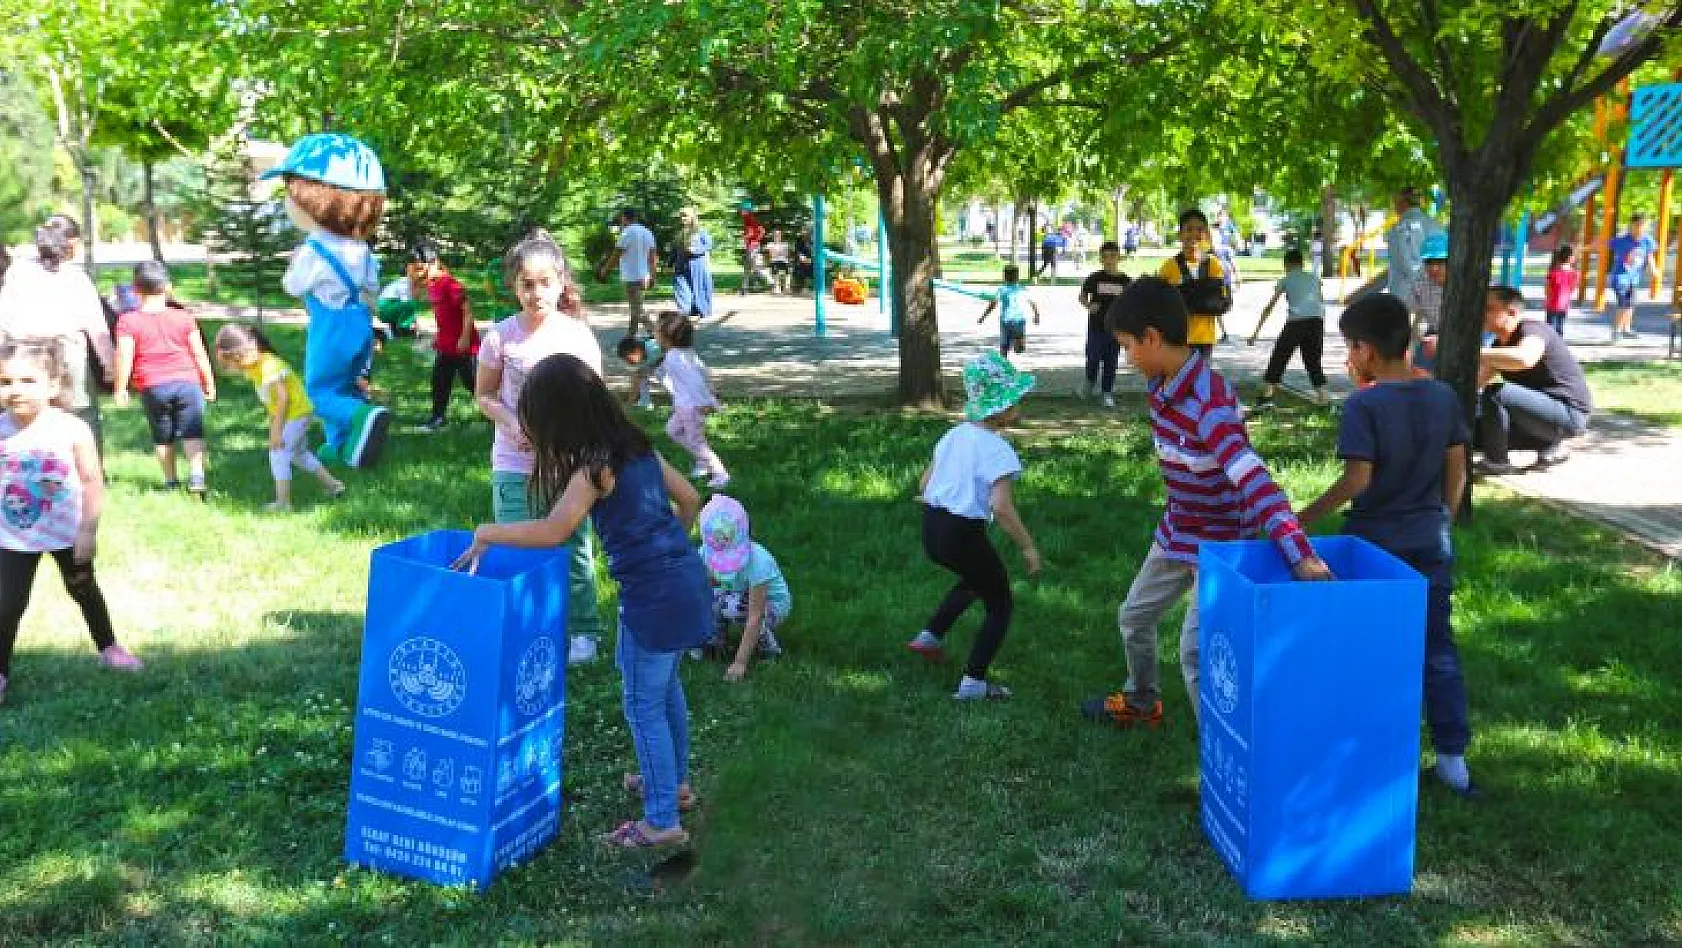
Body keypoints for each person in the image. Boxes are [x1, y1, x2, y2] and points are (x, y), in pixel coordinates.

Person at [452, 352, 711, 849]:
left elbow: (556, 529)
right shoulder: (639, 448)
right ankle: (673, 785)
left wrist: (489, 530)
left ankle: (661, 821)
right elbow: (691, 502)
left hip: (652, 598)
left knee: (642, 704)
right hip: (687, 581)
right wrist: (667, 554)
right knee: (665, 688)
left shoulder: (595, 469)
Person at [1082, 278, 1331, 730]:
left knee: (1196, 652)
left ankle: (1222, 755)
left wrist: (1298, 551)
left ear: (1152, 338)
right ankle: (1142, 700)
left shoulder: (1208, 405)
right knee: (1133, 618)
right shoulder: (1163, 387)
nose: (1126, 357)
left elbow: (1255, 480)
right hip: (1177, 534)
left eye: (1126, 346)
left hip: (1219, 547)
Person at [1295, 294, 1478, 798]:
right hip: (1430, 542)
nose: (1348, 359)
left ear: (1366, 351)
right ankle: (1452, 762)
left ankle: (1366, 751)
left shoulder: (1364, 404)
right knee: (1437, 648)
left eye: (1349, 349)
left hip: (1375, 546)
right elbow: (1457, 466)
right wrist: (1441, 514)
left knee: (1365, 648)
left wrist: (1298, 520)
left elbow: (1357, 479)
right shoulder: (1442, 396)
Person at [475, 230, 606, 665]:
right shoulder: (499, 337)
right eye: (527, 284)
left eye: (545, 282)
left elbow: (594, 400)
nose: (536, 293)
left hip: (568, 465)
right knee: (516, 547)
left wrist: (573, 442)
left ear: (561, 283)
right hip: (514, 463)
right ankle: (527, 627)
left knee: (572, 549)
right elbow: (484, 395)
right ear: (514, 286)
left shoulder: (578, 336)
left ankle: (583, 631)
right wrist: (511, 422)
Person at [0, 340, 141, 704]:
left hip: (66, 532)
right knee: (6, 604)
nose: (16, 390)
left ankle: (109, 646)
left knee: (83, 588)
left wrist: (87, 531)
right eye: (6, 382)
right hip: (12, 535)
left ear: (52, 385)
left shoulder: (72, 429)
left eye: (27, 381)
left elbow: (93, 480)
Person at [906, 352, 1041, 701]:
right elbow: (1002, 507)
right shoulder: (998, 450)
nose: (1019, 407)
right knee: (1000, 603)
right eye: (1015, 401)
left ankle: (929, 638)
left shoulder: (954, 435)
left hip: (932, 529)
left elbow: (924, 484)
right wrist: (1027, 547)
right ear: (999, 408)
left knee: (976, 580)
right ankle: (974, 683)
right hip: (962, 534)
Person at [262, 133, 391, 469]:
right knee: (344, 385)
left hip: (330, 326)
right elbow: (372, 286)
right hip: (358, 321)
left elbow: (294, 286)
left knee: (318, 393)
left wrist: (292, 265)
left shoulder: (314, 249)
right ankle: (343, 447)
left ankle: (363, 416)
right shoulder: (361, 248)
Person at [0, 221, 115, 453]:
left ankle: (30, 462)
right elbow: (95, 325)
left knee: (25, 410)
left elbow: (4, 317)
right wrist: (109, 363)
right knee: (82, 413)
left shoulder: (18, 272)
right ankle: (89, 468)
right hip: (68, 351)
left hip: (25, 352)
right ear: (66, 247)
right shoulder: (75, 276)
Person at [213, 323, 346, 511]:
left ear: (244, 352)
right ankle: (334, 485)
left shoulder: (269, 365)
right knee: (299, 455)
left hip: (296, 414)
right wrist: (273, 426)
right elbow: (272, 403)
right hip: (295, 414)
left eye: (235, 362)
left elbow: (283, 399)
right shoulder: (254, 365)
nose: (237, 367)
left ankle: (283, 503)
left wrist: (276, 431)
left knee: (278, 454)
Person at [112, 261, 216, 494]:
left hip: (153, 386)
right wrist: (208, 382)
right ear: (168, 287)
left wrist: (120, 388)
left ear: (135, 290)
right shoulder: (184, 317)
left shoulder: (128, 321)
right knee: (192, 431)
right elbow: (199, 353)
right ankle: (197, 476)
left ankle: (171, 481)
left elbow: (124, 357)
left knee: (162, 435)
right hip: (188, 382)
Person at [1476, 286, 1593, 474]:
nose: (1481, 314)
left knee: (1497, 393)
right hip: (1538, 417)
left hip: (1569, 414)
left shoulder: (1533, 330)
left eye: (1488, 309)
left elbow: (1525, 358)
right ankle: (1550, 446)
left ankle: (1496, 463)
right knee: (1475, 433)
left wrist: (1475, 352)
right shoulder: (1499, 344)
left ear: (1511, 312)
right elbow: (1476, 382)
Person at [697, 494, 792, 682]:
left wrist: (740, 663)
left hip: (772, 606)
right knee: (708, 598)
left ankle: (768, 649)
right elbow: (705, 586)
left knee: (735, 607)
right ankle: (715, 642)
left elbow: (755, 616)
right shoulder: (705, 553)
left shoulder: (758, 562)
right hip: (736, 595)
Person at [652, 311, 729, 489]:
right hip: (683, 405)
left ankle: (720, 473)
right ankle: (702, 463)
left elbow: (695, 381)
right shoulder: (682, 353)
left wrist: (705, 402)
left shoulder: (675, 357)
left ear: (667, 336)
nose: (654, 333)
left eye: (656, 330)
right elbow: (702, 372)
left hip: (692, 407)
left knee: (697, 441)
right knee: (672, 431)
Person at [410, 242, 480, 433]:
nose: (416, 268)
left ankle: (498, 417)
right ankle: (437, 418)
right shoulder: (432, 284)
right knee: (440, 381)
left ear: (431, 262)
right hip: (446, 345)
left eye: (418, 263)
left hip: (463, 345)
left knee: (473, 382)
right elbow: (419, 299)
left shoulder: (450, 283)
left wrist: (465, 338)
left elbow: (468, 313)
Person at [1249, 249, 1328, 407]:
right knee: (1313, 360)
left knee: (1280, 356)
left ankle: (1266, 396)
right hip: (1316, 322)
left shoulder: (1286, 279)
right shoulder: (1315, 278)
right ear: (1302, 263)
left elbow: (1270, 306)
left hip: (1296, 322)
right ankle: (1324, 398)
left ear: (1286, 264)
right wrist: (1321, 329)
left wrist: (1255, 333)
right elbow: (1320, 303)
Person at [1159, 209, 1230, 356]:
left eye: (1199, 229)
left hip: (1205, 338)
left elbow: (1218, 300)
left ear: (1206, 235)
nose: (1194, 235)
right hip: (1178, 338)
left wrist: (1185, 294)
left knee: (1200, 378)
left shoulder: (1213, 264)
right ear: (1180, 234)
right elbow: (1160, 302)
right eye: (1189, 229)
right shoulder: (1169, 266)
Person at [1078, 241, 1131, 407]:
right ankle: (1089, 383)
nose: (1109, 260)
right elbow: (1082, 296)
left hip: (1115, 330)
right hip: (1096, 327)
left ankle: (1107, 393)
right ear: (1100, 259)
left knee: (1111, 361)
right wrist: (1088, 305)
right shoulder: (1094, 278)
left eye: (1113, 256)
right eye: (1105, 257)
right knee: (1092, 357)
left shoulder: (1125, 281)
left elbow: (1131, 302)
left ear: (1119, 258)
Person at [605, 208, 658, 337]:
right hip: (644, 276)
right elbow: (653, 256)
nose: (620, 221)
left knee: (637, 308)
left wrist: (605, 269)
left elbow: (617, 253)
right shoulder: (647, 232)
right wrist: (652, 275)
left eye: (621, 218)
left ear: (625, 218)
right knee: (636, 306)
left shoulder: (626, 233)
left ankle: (653, 333)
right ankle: (632, 334)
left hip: (631, 276)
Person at [1607, 213, 1657, 341]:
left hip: (1634, 278)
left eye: (1641, 226)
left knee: (1631, 304)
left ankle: (1626, 329)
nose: (1639, 229)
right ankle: (1616, 331)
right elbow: (1604, 244)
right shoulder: (1622, 240)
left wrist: (1653, 270)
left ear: (1645, 226)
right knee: (1624, 303)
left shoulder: (1647, 241)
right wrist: (1584, 248)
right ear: (1631, 226)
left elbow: (1650, 257)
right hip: (1620, 277)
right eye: (1636, 226)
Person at [1404, 233, 1449, 372]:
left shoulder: (1468, 284)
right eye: (1429, 262)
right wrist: (1407, 347)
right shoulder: (1420, 284)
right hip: (1434, 332)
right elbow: (1412, 315)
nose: (1434, 268)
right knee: (1419, 370)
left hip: (1470, 335)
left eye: (1441, 262)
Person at [978, 265, 1040, 357]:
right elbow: (1033, 303)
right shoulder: (1022, 289)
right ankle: (1018, 344)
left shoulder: (1002, 290)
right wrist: (1036, 315)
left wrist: (983, 317)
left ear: (1004, 277)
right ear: (1017, 277)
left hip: (1006, 320)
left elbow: (993, 305)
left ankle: (1004, 361)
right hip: (1018, 320)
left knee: (1004, 346)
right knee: (1018, 349)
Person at [669, 208, 715, 319]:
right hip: (681, 266)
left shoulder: (701, 232)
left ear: (692, 217)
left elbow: (708, 245)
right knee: (681, 287)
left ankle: (700, 309)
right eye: (681, 216)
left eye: (685, 216)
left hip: (697, 265)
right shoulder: (679, 234)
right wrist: (670, 262)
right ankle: (684, 310)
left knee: (698, 288)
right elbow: (674, 250)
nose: (683, 218)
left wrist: (695, 250)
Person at [615, 334, 665, 409]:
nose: (628, 362)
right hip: (655, 363)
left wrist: (652, 369)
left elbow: (669, 355)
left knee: (657, 374)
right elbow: (635, 382)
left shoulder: (654, 348)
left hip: (669, 365)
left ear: (636, 351)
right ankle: (645, 402)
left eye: (628, 359)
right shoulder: (640, 355)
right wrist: (630, 401)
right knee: (640, 376)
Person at [1544, 245, 1579, 338]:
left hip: (1552, 304)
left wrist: (1548, 298)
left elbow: (1547, 290)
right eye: (1574, 256)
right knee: (1560, 327)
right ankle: (1558, 346)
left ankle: (1549, 346)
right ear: (1569, 257)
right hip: (1564, 305)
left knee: (1549, 327)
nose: (1575, 258)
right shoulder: (1574, 274)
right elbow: (1572, 289)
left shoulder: (1553, 272)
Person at [375, 270, 419, 341]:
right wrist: (413, 322)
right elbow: (406, 304)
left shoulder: (402, 282)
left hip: (385, 308)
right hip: (385, 308)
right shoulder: (404, 283)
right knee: (410, 305)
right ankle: (403, 329)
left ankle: (395, 329)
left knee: (407, 305)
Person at [737, 204, 765, 296]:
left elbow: (751, 233)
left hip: (752, 246)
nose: (740, 211)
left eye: (742, 209)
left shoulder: (749, 219)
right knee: (749, 267)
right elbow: (762, 231)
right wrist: (757, 240)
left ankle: (770, 281)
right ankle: (745, 288)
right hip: (753, 245)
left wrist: (743, 237)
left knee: (753, 266)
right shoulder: (751, 219)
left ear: (747, 210)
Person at [765, 229, 792, 295]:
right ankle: (777, 287)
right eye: (776, 235)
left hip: (784, 261)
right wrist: (778, 253)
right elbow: (771, 254)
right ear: (773, 236)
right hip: (774, 261)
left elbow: (786, 254)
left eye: (778, 235)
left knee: (788, 270)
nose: (777, 236)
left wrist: (777, 252)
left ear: (781, 236)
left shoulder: (785, 244)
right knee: (775, 269)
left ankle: (787, 287)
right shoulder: (770, 244)